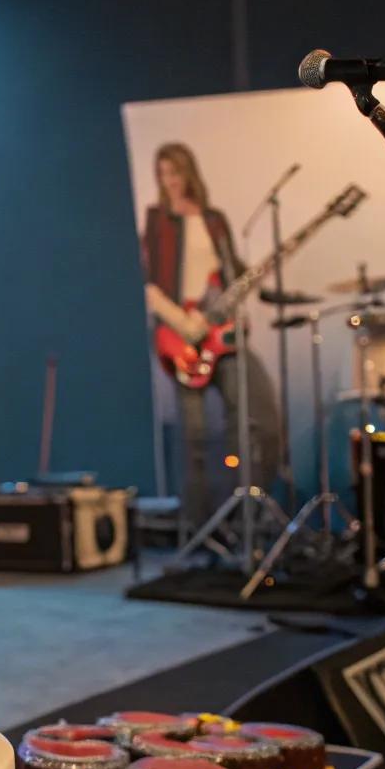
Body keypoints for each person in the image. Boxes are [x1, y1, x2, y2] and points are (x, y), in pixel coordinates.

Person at [141, 142, 279, 530]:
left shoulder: (214, 219)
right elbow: (149, 281)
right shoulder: (157, 221)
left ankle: (242, 518)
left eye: (175, 172)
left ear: (188, 172)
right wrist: (182, 324)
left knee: (249, 420)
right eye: (163, 174)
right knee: (195, 434)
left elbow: (229, 270)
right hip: (180, 332)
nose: (169, 181)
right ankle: (198, 525)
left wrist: (258, 279)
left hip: (220, 332)